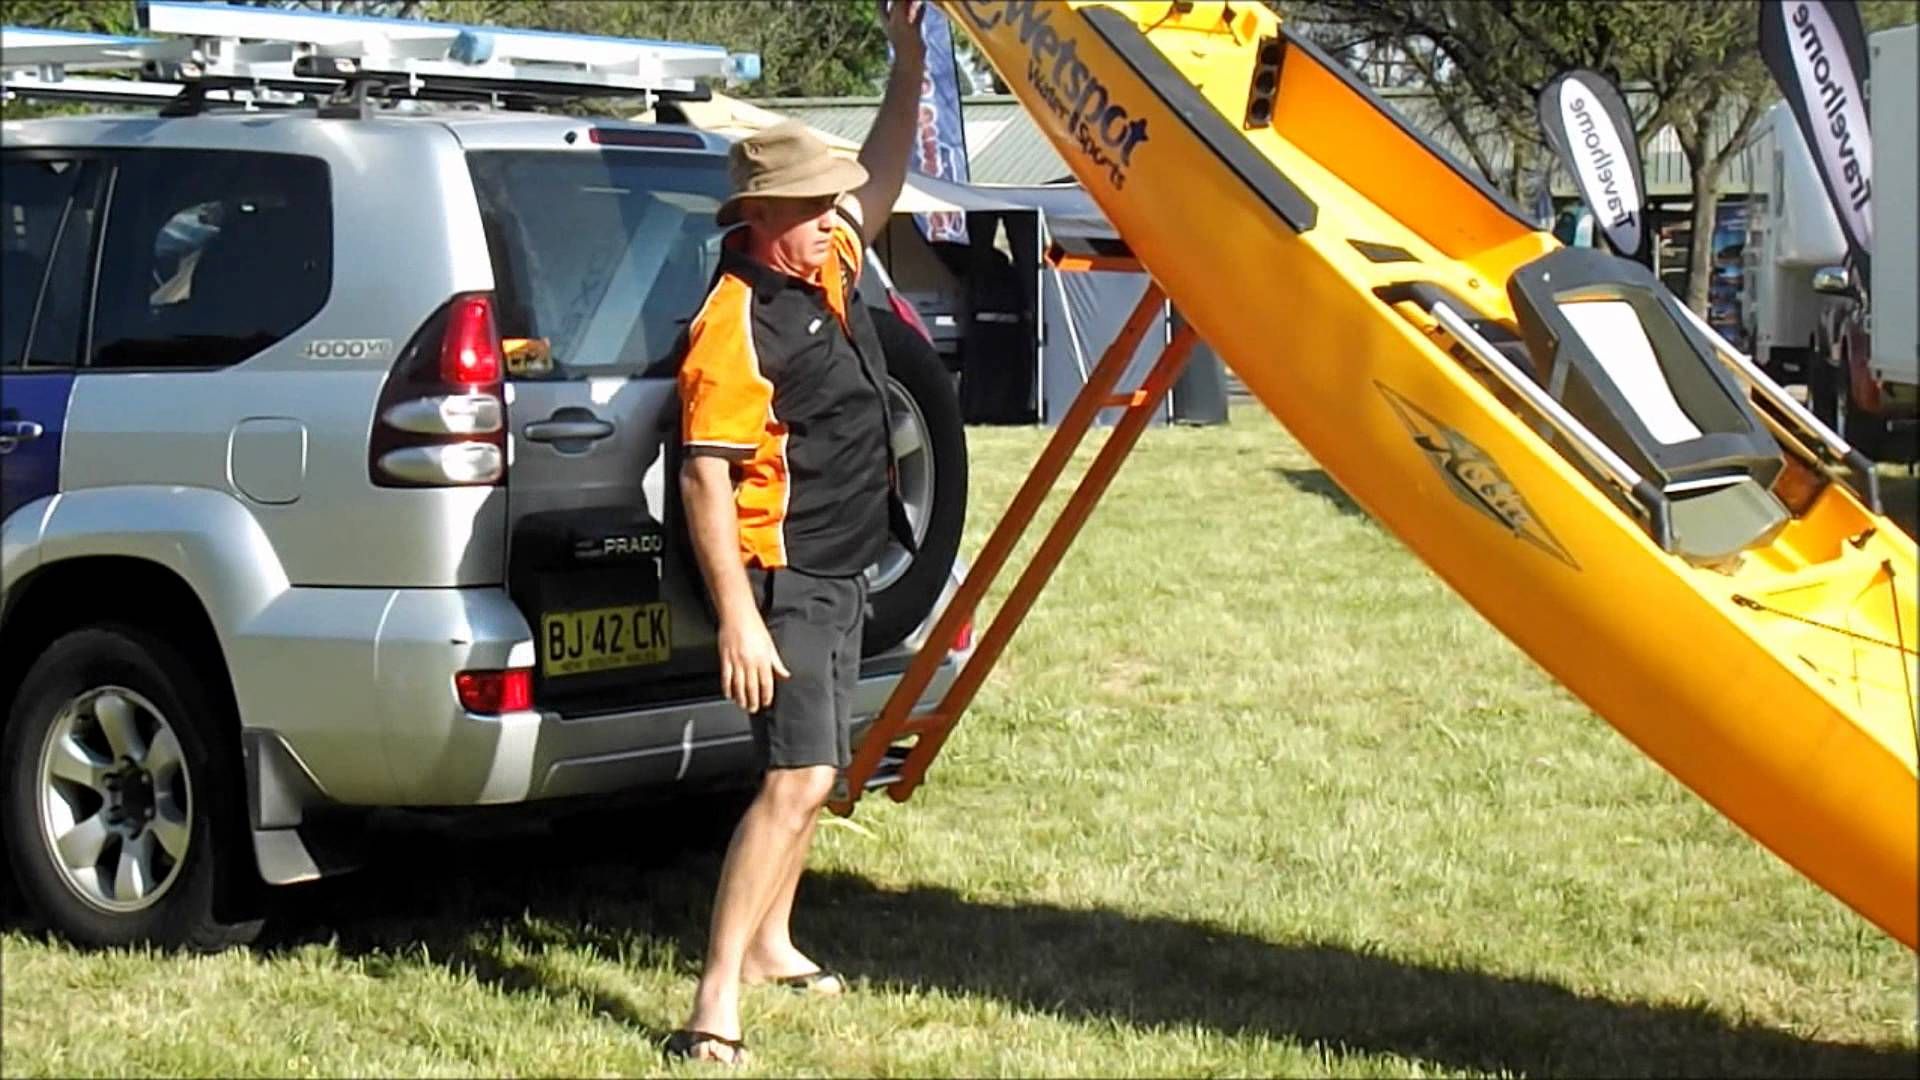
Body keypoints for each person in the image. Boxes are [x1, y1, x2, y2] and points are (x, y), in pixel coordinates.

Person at [664, 1, 926, 1066]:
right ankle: (712, 1000)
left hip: (842, 564)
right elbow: (704, 479)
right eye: (817, 203)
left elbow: (890, 171)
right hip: (787, 578)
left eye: (833, 202)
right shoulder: (734, 321)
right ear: (766, 212)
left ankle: (772, 942)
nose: (837, 213)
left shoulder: (822, 267)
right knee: (797, 778)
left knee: (817, 771)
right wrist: (739, 619)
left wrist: (909, 56)